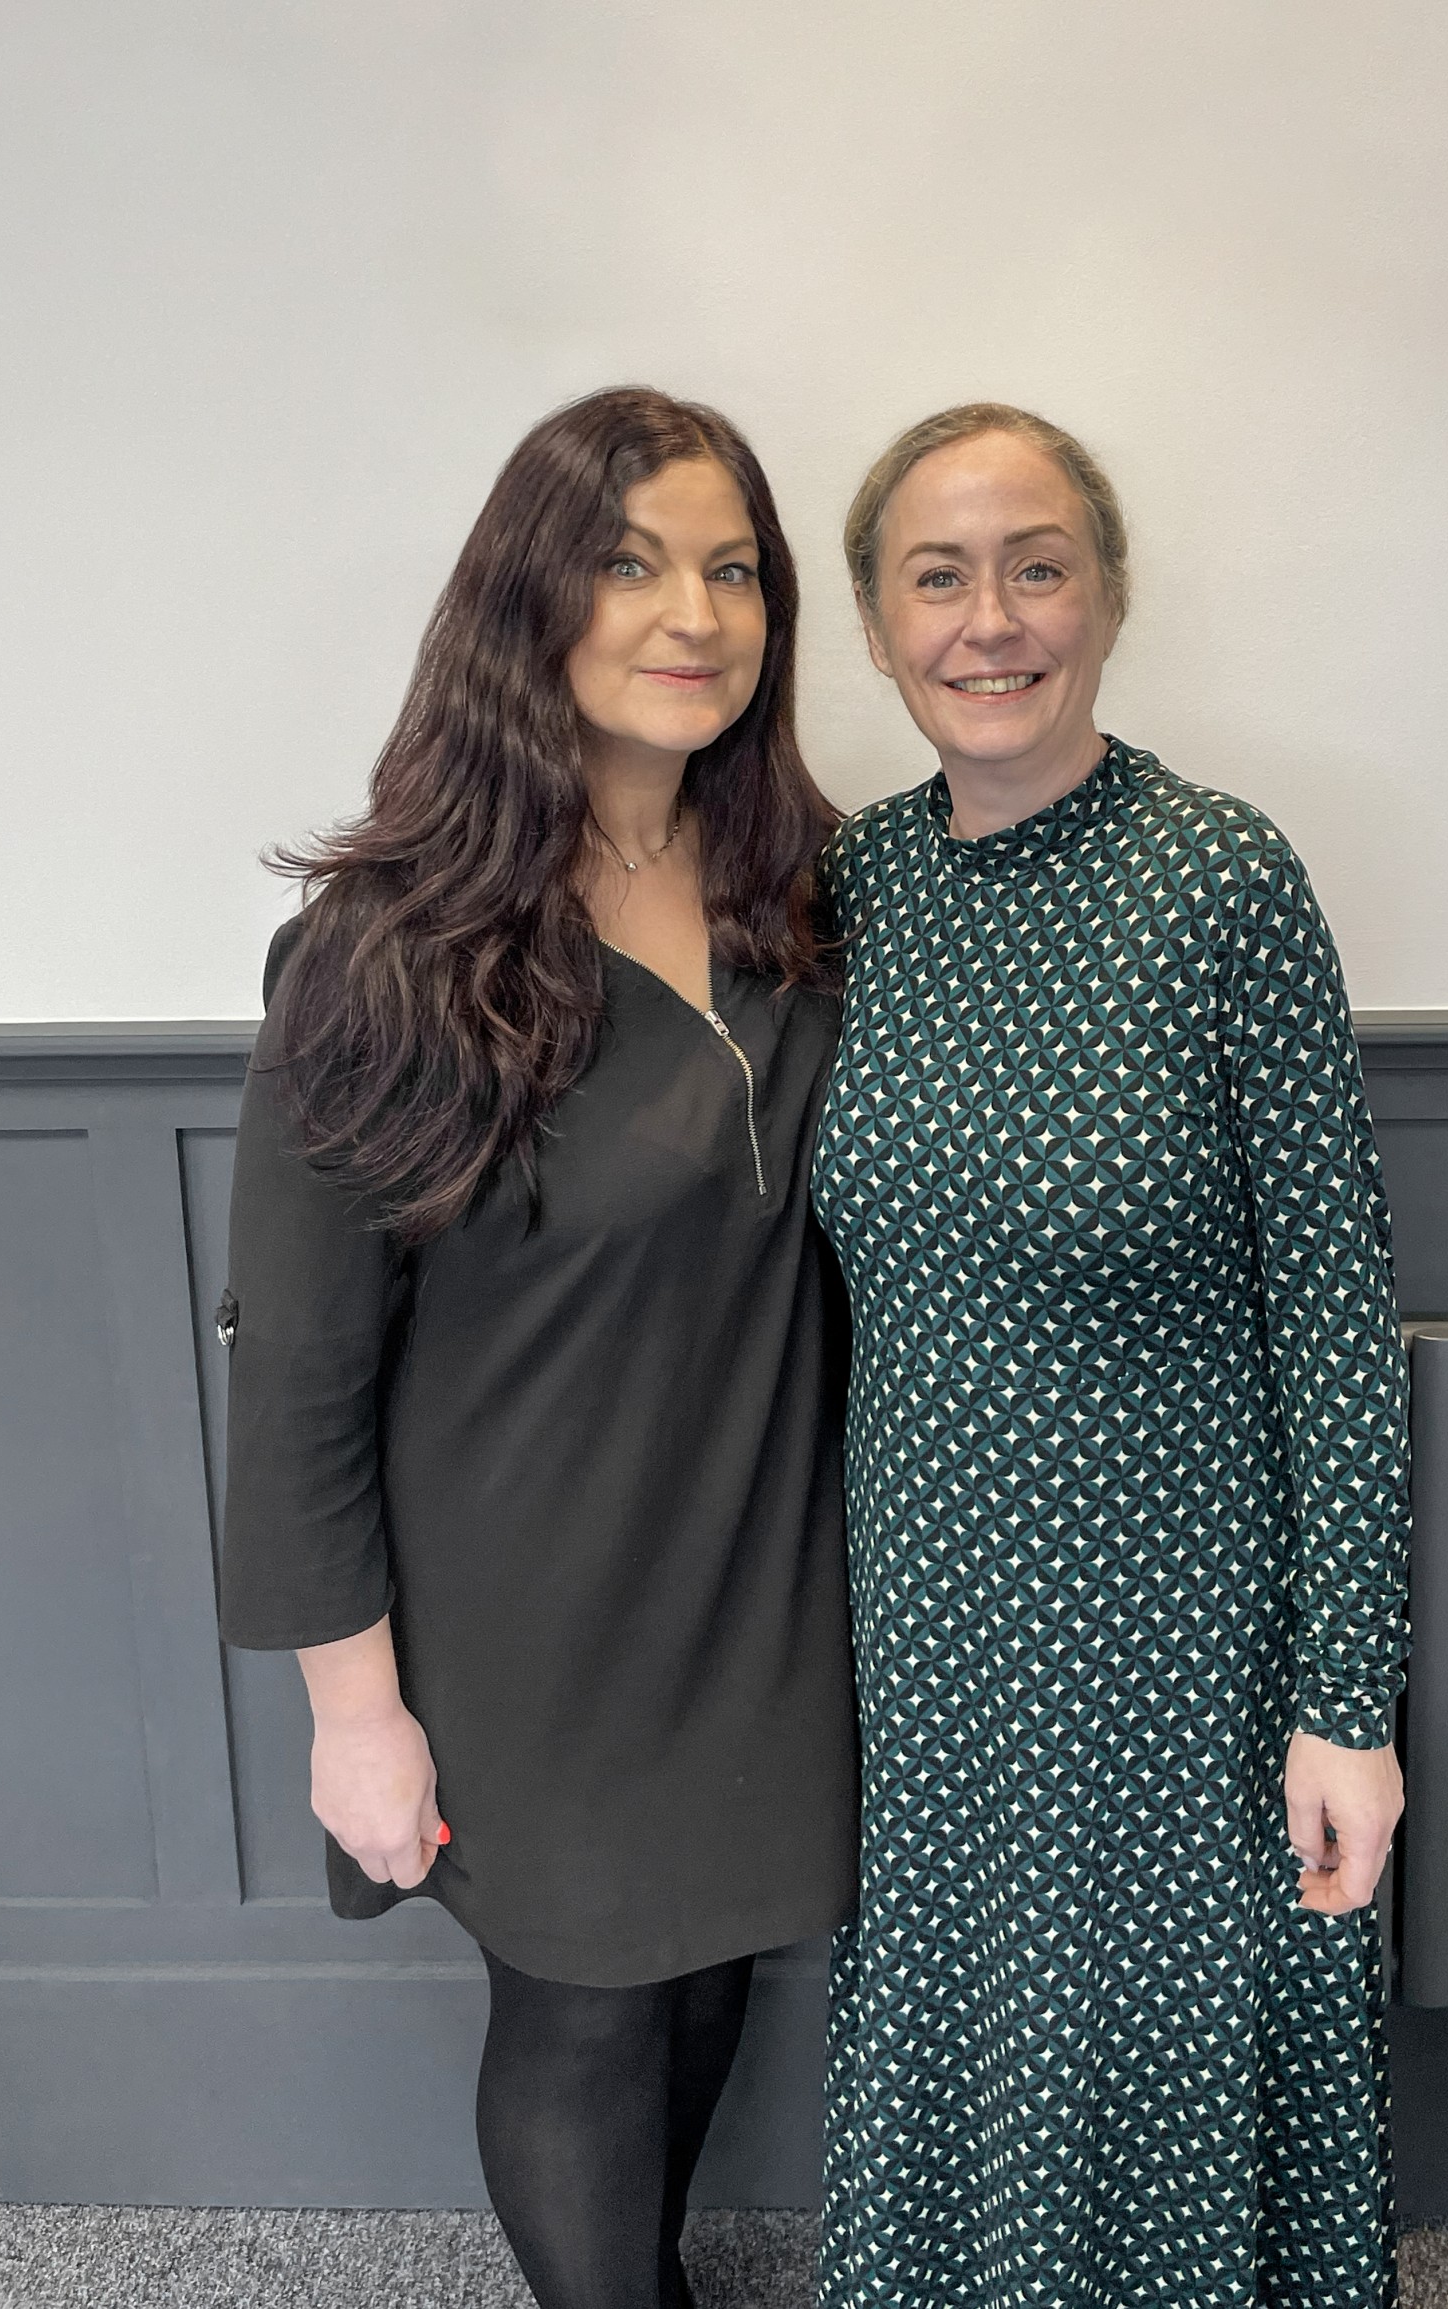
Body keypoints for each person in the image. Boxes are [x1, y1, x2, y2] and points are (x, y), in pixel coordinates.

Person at [217, 386, 857, 2309]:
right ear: (527, 601)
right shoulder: (390, 945)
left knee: (717, 1970)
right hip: (526, 1619)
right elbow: (301, 1365)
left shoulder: (805, 895)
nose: (696, 612)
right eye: (630, 559)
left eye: (733, 567)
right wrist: (356, 1711)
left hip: (757, 1588)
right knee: (584, 2023)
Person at [813, 403, 1409, 2309]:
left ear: (1110, 595)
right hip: (930, 1630)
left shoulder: (1224, 878)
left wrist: (1351, 1698)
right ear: (879, 624)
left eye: (1038, 562)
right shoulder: (849, 893)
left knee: (1164, 2067)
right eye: (938, 575)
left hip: (1182, 1648)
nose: (992, 620)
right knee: (970, 2045)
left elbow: (1336, 1312)